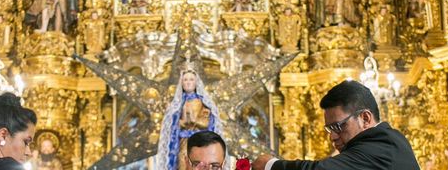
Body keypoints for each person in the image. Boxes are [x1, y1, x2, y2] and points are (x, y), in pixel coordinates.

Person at [252, 80, 420, 170]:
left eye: (338, 126)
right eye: (329, 129)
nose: (332, 137)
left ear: (365, 118)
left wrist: (270, 165)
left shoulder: (382, 143)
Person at [157, 68, 222, 170]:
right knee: (182, 161)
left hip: (199, 142)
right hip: (182, 141)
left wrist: (194, 121)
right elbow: (172, 124)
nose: (188, 82)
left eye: (191, 79)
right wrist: (182, 123)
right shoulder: (177, 104)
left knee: (197, 163)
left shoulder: (203, 102)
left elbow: (208, 123)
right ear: (181, 83)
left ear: (196, 83)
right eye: (185, 80)